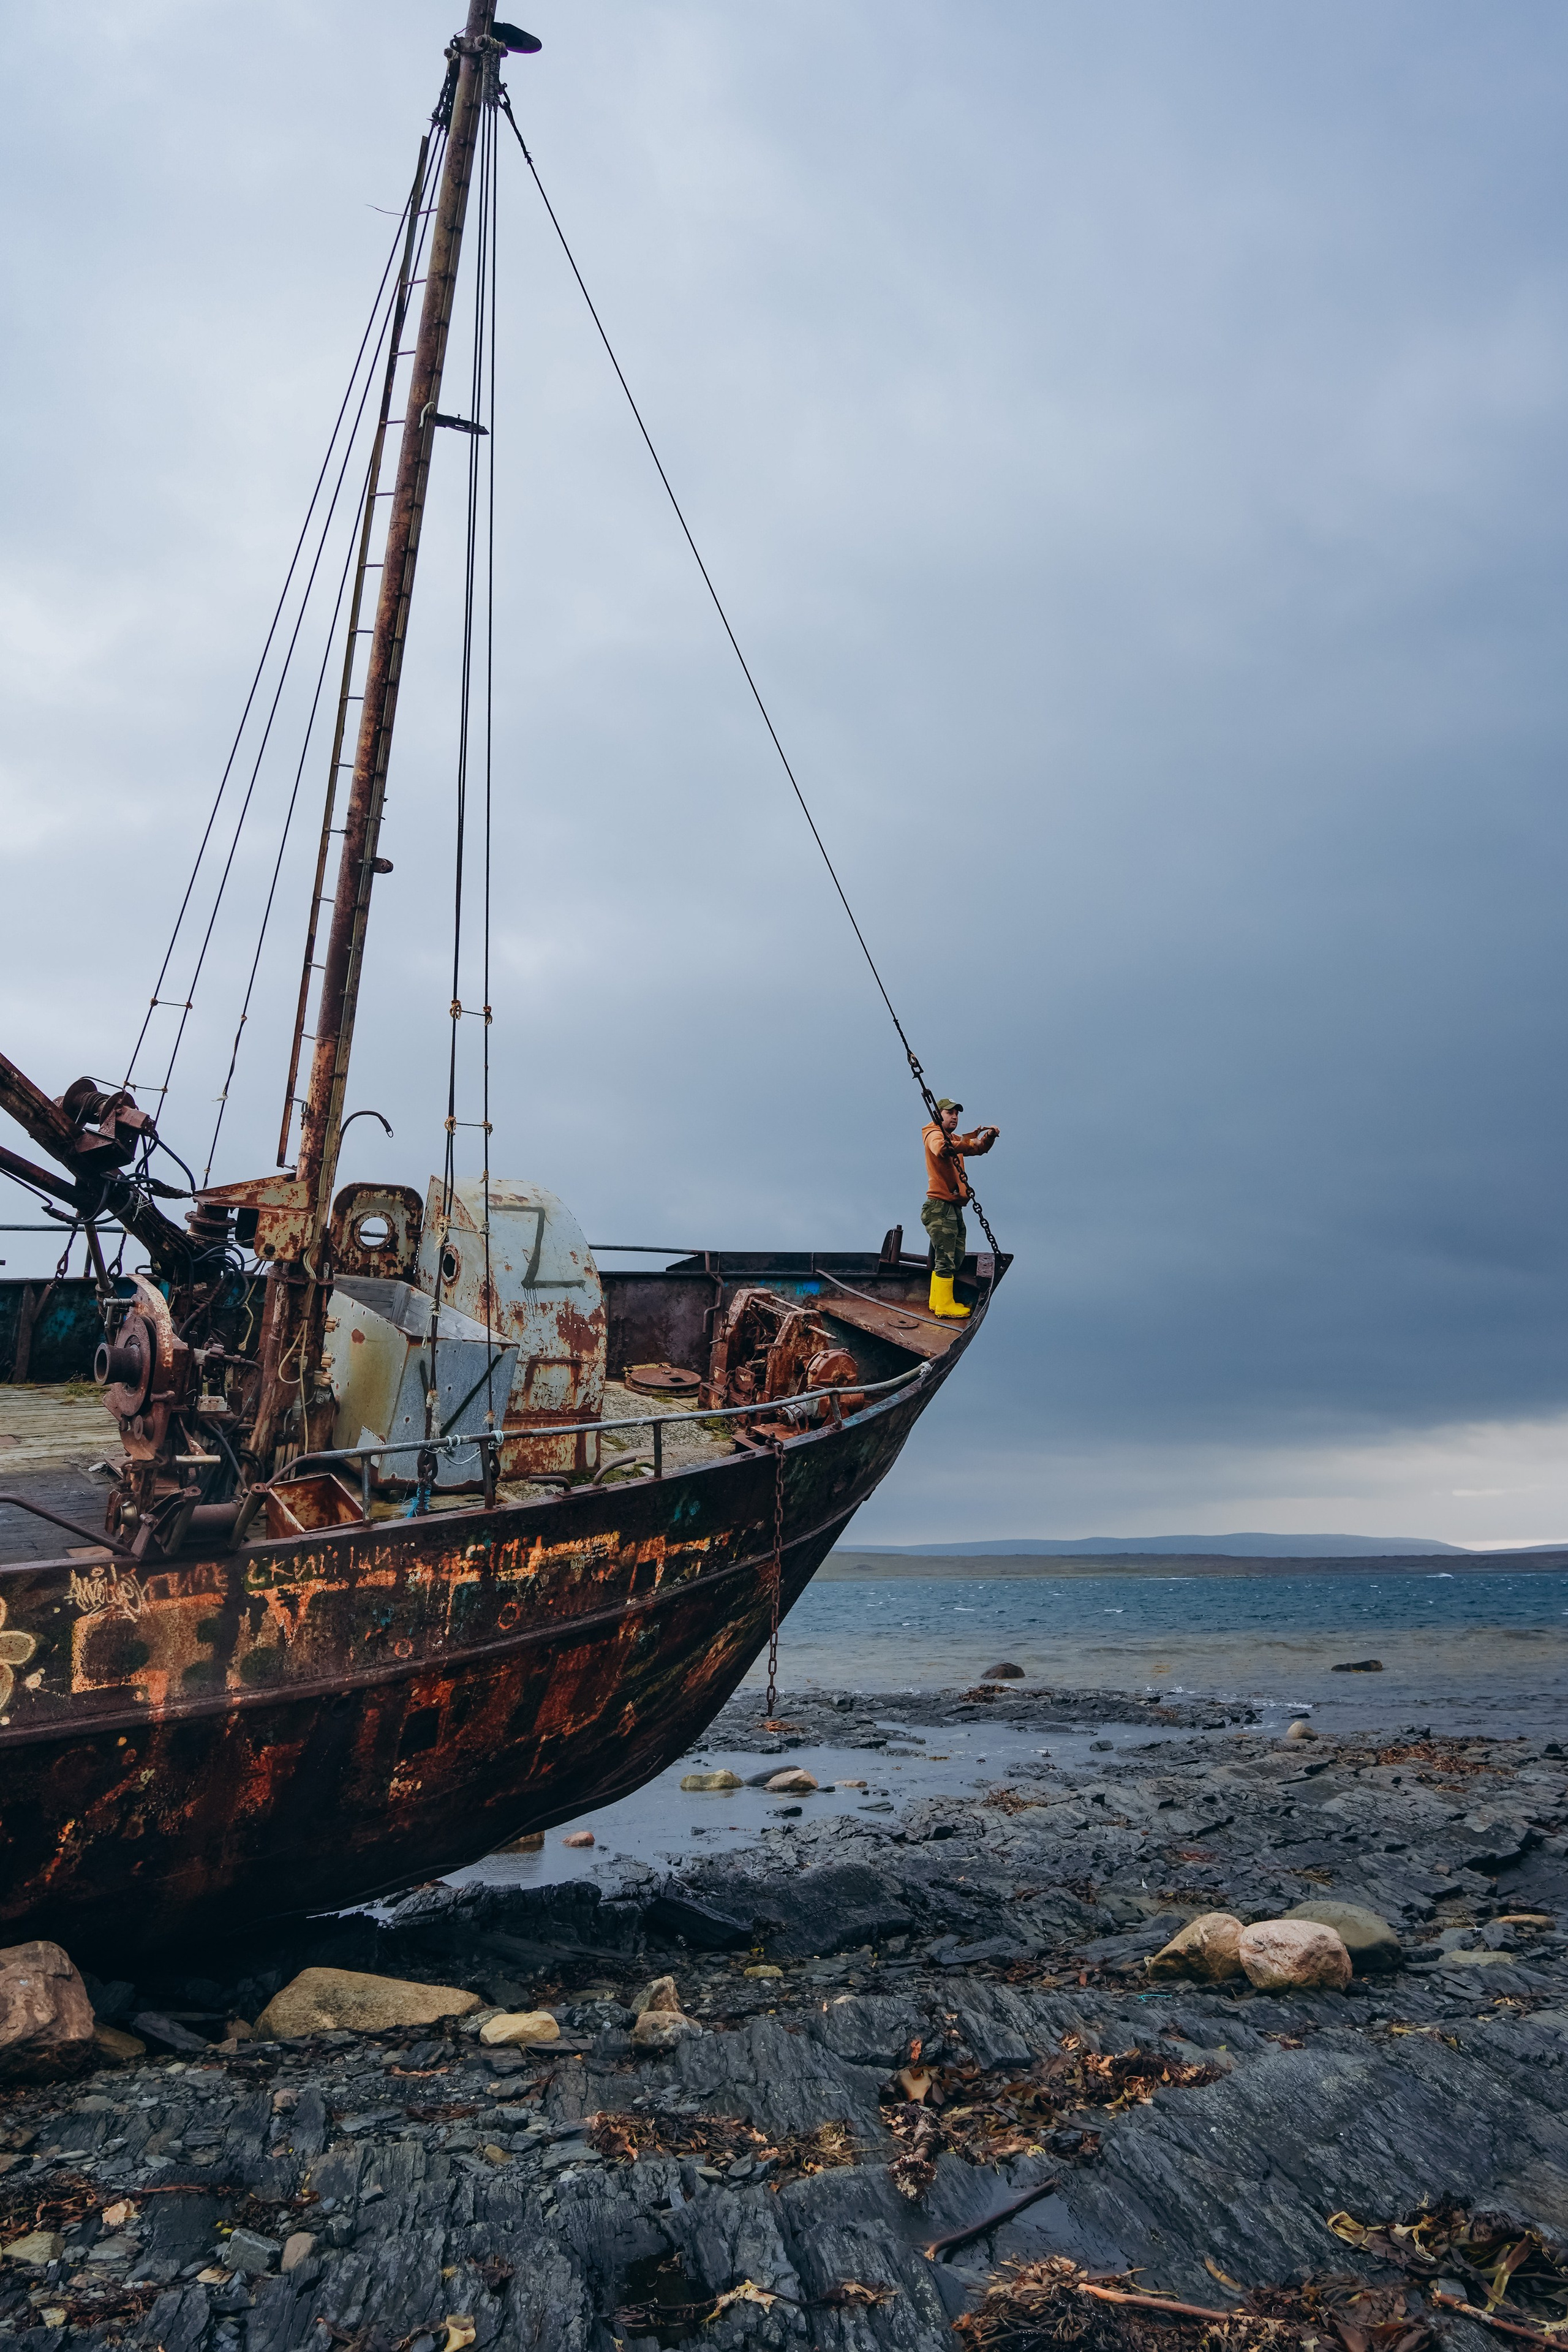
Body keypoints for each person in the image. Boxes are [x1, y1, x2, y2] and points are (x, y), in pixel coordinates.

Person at [921, 1098, 999, 1319]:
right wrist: (965, 1143)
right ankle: (945, 1305)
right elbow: (940, 1148)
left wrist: (988, 1137)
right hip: (940, 1207)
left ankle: (937, 1301)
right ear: (938, 1115)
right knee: (946, 1257)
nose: (954, 1117)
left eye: (957, 1114)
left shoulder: (952, 1138)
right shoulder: (933, 1133)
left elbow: (977, 1148)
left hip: (952, 1207)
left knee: (954, 1254)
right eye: (949, 1113)